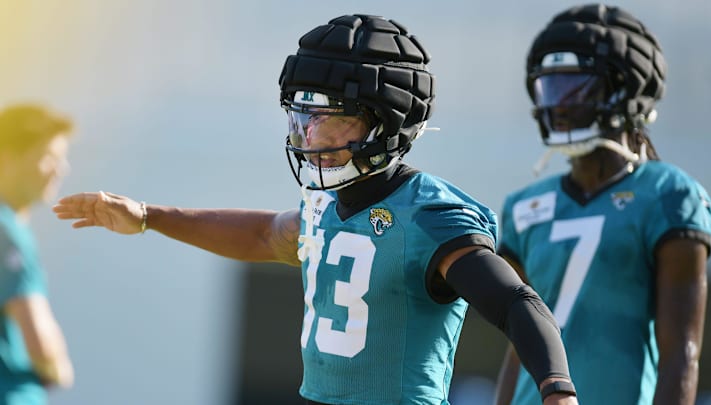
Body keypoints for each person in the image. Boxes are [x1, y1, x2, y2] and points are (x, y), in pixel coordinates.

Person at [53, 14, 578, 405]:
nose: (308, 136)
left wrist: (556, 388)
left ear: (384, 123)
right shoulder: (325, 206)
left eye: (326, 119)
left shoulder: (430, 216)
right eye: (300, 117)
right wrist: (148, 216)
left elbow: (514, 303)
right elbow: (264, 236)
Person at [494, 4, 711, 405]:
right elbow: (518, 348)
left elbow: (682, 355)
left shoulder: (668, 195)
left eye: (576, 88)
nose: (559, 105)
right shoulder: (525, 206)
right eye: (551, 88)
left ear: (624, 91)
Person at [0, 103, 75, 404]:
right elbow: (39, 339)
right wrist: (60, 368)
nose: (61, 169)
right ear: (6, 158)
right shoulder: (8, 233)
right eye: (48, 158)